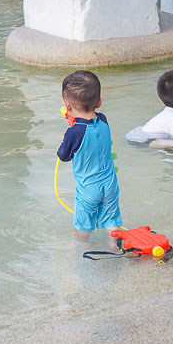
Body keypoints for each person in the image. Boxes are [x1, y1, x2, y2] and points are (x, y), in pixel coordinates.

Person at [57, 71, 122, 243]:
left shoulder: (74, 132)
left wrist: (70, 131)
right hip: (110, 185)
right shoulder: (103, 120)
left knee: (83, 225)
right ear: (99, 101)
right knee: (111, 220)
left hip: (88, 189)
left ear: (67, 106)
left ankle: (83, 251)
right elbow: (92, 133)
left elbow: (63, 156)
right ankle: (113, 245)